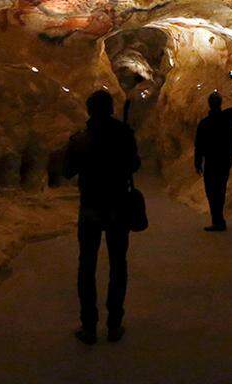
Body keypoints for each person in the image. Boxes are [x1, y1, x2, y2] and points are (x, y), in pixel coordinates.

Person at [63, 89, 141, 344]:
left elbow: (67, 171)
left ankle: (89, 326)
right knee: (118, 264)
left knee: (87, 266)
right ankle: (114, 324)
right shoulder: (124, 134)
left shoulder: (81, 139)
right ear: (110, 109)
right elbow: (134, 165)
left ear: (89, 110)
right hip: (118, 206)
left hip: (91, 208)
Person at [194, 70, 232, 231]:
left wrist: (197, 162)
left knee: (212, 190)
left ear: (209, 104)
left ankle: (217, 220)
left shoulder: (205, 122)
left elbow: (199, 144)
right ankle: (219, 220)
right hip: (225, 158)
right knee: (221, 187)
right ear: (220, 103)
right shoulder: (228, 116)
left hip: (211, 160)